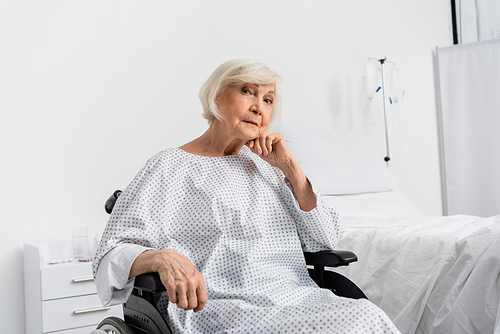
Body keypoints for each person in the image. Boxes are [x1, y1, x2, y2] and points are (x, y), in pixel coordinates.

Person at [93, 59, 400, 333]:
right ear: (216, 98)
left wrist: (292, 169)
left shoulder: (269, 169)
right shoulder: (169, 167)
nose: (259, 107)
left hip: (295, 297)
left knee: (364, 314)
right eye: (247, 92)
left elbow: (324, 240)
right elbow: (112, 251)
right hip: (219, 307)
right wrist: (161, 257)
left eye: (268, 100)